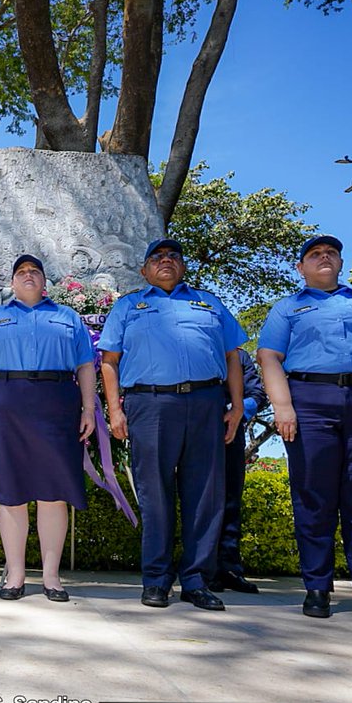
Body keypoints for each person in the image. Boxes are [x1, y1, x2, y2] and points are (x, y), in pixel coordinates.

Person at [257, 235, 352, 624]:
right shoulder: (287, 308)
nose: (323, 257)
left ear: (341, 263)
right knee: (314, 497)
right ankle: (317, 588)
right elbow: (269, 357)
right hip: (310, 401)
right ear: (301, 267)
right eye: (314, 254)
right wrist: (283, 407)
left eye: (330, 253)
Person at [98, 238, 245, 611]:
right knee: (155, 494)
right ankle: (157, 580)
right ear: (145, 270)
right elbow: (109, 361)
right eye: (157, 257)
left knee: (205, 495)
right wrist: (115, 411)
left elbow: (233, 356)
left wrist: (238, 405)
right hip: (150, 403)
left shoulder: (210, 303)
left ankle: (197, 580)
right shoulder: (129, 306)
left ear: (183, 267)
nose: (166, 261)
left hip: (206, 402)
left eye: (173, 257)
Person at [0, 254, 97, 602]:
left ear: (44, 282)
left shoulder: (67, 317)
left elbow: (85, 365)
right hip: (3, 403)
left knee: (54, 493)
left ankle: (52, 577)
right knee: (11, 493)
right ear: (12, 282)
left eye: (34, 272)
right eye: (21, 272)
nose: (28, 276)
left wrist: (88, 408)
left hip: (56, 404)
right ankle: (16, 574)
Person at [209, 347, 270, 594]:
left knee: (230, 501)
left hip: (230, 434)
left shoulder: (240, 356)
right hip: (195, 428)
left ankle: (230, 569)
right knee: (199, 501)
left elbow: (258, 393)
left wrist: (236, 412)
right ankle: (203, 569)